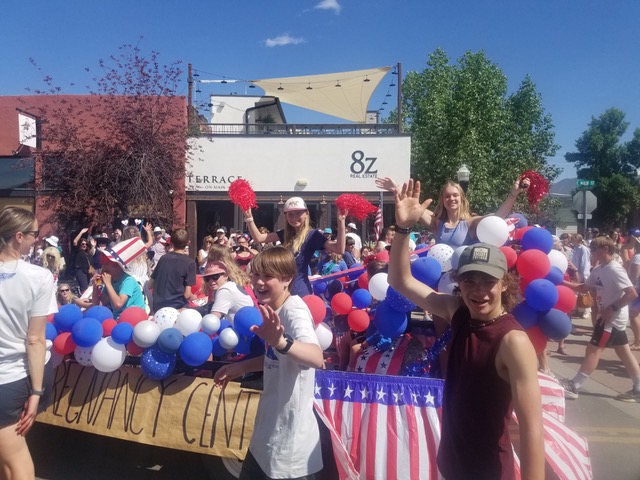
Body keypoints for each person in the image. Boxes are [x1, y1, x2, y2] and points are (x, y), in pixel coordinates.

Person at [387, 180, 544, 479]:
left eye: (488, 281)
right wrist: (403, 229)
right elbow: (401, 281)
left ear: (504, 284)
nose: (479, 290)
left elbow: (532, 430)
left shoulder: (513, 341)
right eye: (470, 280)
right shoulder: (457, 312)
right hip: (451, 465)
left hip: (489, 472)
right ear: (459, 283)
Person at [213, 247, 324, 479]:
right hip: (265, 437)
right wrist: (239, 367)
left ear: (286, 279)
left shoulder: (295, 311)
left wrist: (282, 342)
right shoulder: (274, 308)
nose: (259, 282)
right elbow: (275, 356)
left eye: (268, 276)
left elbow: (316, 358)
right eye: (256, 275)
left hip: (289, 449)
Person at [0, 207, 57, 479]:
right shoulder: (39, 277)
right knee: (15, 460)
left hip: (10, 376)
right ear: (18, 236)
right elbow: (35, 340)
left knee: (8, 458)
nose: (38, 240)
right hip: (13, 376)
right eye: (34, 234)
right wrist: (36, 393)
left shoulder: (38, 275)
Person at [561, 235, 640, 402]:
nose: (592, 252)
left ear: (605, 249)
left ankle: (575, 385)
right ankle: (638, 389)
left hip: (610, 320)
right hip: (608, 318)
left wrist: (613, 308)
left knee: (593, 350)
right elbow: (583, 288)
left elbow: (632, 293)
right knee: (624, 352)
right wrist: (561, 282)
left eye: (594, 249)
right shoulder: (599, 269)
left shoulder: (615, 269)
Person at [243, 196, 345, 297]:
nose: (294, 217)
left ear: (306, 214)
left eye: (298, 213)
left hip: (301, 291)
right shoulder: (285, 234)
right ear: (286, 216)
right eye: (290, 214)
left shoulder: (312, 235)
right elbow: (259, 238)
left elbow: (339, 249)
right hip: (282, 290)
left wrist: (341, 222)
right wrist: (249, 219)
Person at [92, 238, 147, 319]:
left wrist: (108, 284)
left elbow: (118, 304)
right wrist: (95, 287)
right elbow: (98, 305)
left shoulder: (128, 280)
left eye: (106, 264)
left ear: (116, 266)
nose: (102, 268)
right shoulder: (111, 281)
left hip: (134, 320)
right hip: (119, 320)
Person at [149, 228, 197, 312]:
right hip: (177, 309)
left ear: (172, 243)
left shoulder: (163, 258)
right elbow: (187, 295)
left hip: (158, 308)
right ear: (188, 242)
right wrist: (195, 297)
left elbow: (150, 284)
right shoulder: (190, 263)